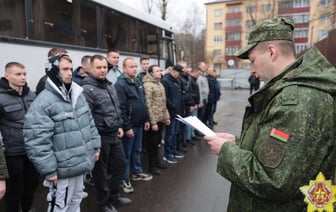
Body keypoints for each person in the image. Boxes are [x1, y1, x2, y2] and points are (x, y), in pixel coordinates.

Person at [203, 17, 336, 211]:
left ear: (272, 52)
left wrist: (226, 151)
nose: (252, 69)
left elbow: (273, 181)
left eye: (253, 60)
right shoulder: (291, 91)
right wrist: (237, 143)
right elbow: (282, 152)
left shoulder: (295, 99)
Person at [23, 54, 101, 212]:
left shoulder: (77, 95)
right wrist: (49, 169)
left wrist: (96, 146)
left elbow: (89, 123)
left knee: (76, 201)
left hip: (79, 163)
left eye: (71, 69)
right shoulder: (43, 102)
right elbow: (37, 140)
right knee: (59, 205)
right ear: (53, 71)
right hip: (61, 170)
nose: (70, 72)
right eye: (64, 69)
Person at [81, 54, 131, 212]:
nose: (103, 70)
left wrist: (119, 126)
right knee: (101, 174)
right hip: (100, 136)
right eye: (99, 67)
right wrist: (93, 142)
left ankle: (114, 196)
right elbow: (86, 117)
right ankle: (103, 204)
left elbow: (115, 109)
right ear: (91, 68)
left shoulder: (109, 85)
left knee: (120, 165)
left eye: (104, 67)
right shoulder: (87, 89)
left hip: (114, 133)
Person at [0, 62, 38, 212]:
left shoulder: (31, 95)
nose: (23, 77)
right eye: (18, 74)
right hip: (12, 153)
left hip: (31, 150)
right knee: (15, 190)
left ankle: (27, 209)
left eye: (24, 74)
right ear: (7, 75)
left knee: (32, 185)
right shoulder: (1, 97)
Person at [115, 57, 152, 194]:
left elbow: (143, 101)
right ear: (124, 68)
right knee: (126, 154)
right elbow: (121, 107)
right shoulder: (120, 84)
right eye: (131, 67)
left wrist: (146, 119)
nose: (134, 69)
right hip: (130, 125)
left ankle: (137, 172)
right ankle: (124, 178)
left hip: (140, 123)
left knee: (137, 150)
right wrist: (127, 127)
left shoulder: (137, 82)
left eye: (135, 66)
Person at [142, 65, 171, 175]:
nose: (160, 72)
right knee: (152, 145)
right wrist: (152, 122)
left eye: (160, 70)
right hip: (154, 121)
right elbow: (148, 105)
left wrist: (166, 117)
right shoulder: (148, 86)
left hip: (161, 119)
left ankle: (157, 162)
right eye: (157, 71)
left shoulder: (160, 84)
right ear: (151, 73)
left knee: (158, 143)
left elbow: (164, 103)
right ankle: (151, 166)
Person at [161, 64, 185, 164]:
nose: (180, 76)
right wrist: (173, 107)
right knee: (169, 134)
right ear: (174, 71)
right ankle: (167, 154)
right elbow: (165, 98)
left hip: (177, 112)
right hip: (171, 112)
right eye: (179, 73)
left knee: (175, 133)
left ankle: (173, 151)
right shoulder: (166, 81)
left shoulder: (177, 81)